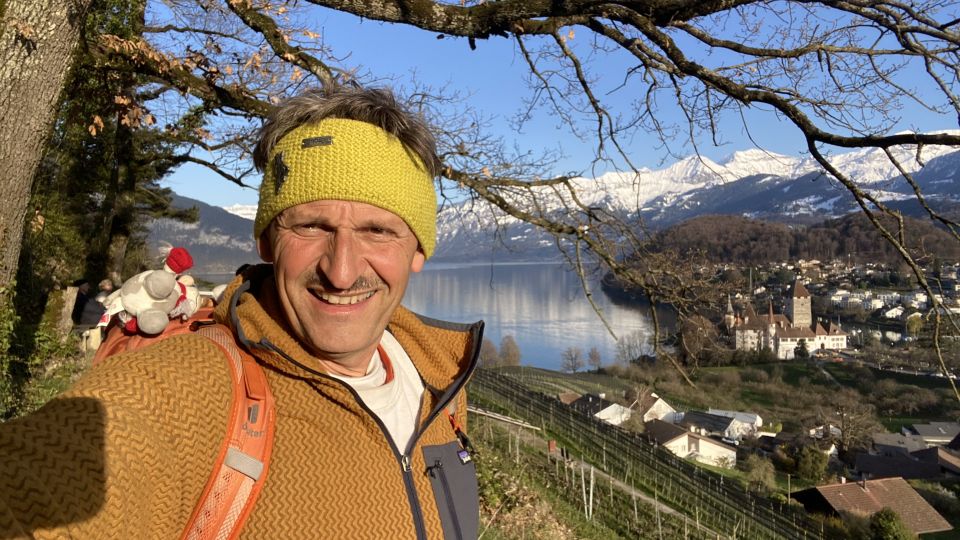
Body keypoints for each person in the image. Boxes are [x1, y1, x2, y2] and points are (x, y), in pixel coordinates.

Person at [0, 86, 483, 539]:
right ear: (267, 241)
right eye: (311, 226)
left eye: (377, 231)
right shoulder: (188, 391)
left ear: (418, 250)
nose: (341, 272)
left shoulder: (438, 377)